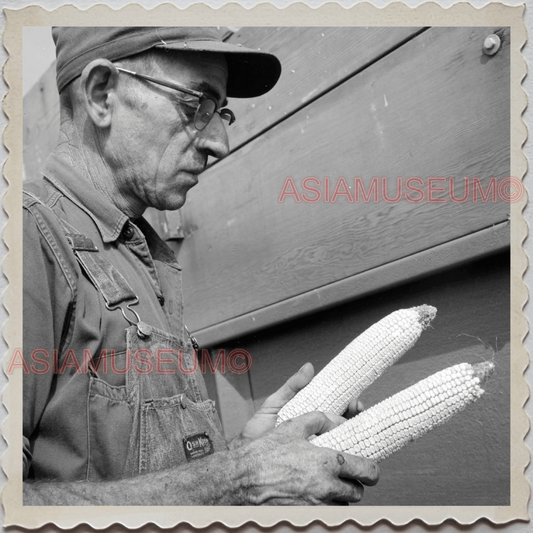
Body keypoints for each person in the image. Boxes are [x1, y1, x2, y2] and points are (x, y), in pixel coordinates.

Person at [22, 26, 379, 505]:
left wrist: (249, 451)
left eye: (222, 111)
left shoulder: (139, 254)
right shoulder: (26, 240)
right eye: (196, 105)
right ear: (102, 93)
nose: (220, 143)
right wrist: (239, 477)